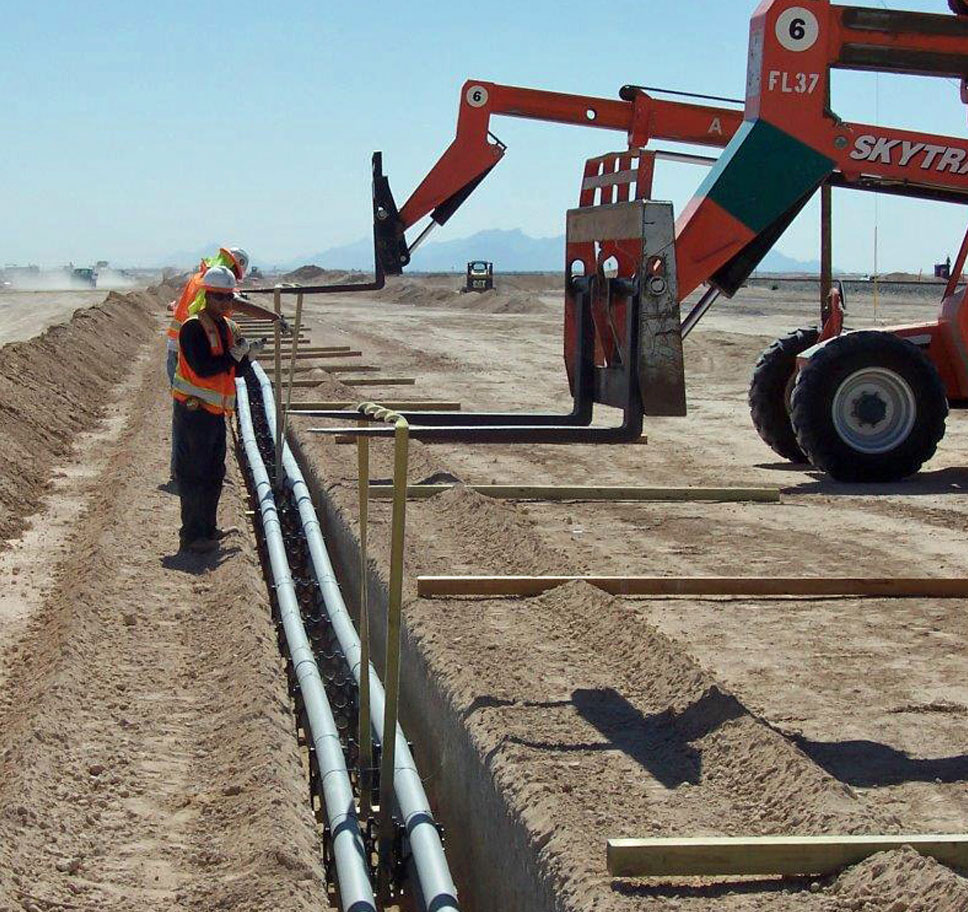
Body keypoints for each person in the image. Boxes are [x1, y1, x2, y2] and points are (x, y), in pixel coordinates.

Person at [164, 245, 287, 482]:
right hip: (190, 351)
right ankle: (185, 474)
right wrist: (274, 317)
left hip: (184, 348)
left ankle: (195, 472)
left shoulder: (202, 278)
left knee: (193, 416)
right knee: (188, 413)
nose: (227, 297)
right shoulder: (212, 284)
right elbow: (236, 304)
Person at [171, 265, 265, 553]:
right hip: (194, 413)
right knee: (194, 475)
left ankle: (208, 529)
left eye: (229, 298)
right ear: (206, 297)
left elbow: (234, 372)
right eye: (219, 297)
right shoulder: (192, 328)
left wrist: (246, 358)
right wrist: (232, 356)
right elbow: (203, 368)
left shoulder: (227, 328)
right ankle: (191, 535)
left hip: (215, 414)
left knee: (214, 473)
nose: (225, 303)